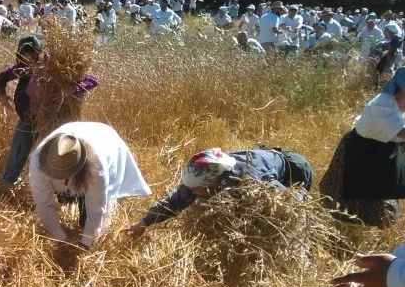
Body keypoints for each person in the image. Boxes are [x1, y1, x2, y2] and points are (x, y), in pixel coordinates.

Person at [0, 36, 99, 205]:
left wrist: (69, 90)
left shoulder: (55, 66)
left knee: (56, 158)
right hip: (29, 119)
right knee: (17, 153)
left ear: (39, 53)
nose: (27, 60)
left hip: (52, 122)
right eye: (23, 56)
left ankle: (66, 195)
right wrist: (2, 95)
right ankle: (5, 187)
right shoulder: (23, 68)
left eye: (31, 55)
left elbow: (91, 80)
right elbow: (2, 77)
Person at [30, 122, 150, 261]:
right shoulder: (38, 162)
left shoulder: (96, 168)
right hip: (74, 133)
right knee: (66, 199)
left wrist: (85, 243)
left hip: (106, 141)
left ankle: (86, 225)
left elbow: (97, 209)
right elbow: (43, 205)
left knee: (87, 218)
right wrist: (61, 237)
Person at [127, 147, 314, 236]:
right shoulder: (204, 173)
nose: (193, 194)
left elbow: (292, 202)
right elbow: (176, 201)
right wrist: (143, 222)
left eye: (197, 190)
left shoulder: (250, 180)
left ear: (214, 185)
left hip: (294, 172)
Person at [319, 69, 405, 226]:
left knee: (381, 207)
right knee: (349, 204)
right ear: (401, 90)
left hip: (380, 155)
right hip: (360, 154)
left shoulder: (400, 104)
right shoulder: (382, 104)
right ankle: (346, 232)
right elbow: (402, 132)